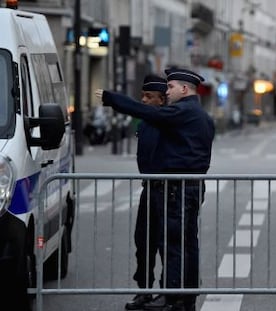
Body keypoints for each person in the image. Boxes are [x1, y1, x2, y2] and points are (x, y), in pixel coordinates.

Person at [95, 67, 215, 311]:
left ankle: (173, 297)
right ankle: (182, 297)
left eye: (170, 87)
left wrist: (112, 98)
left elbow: (144, 112)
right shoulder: (196, 113)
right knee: (183, 244)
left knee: (174, 244)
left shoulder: (185, 111)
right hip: (176, 187)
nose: (166, 90)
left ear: (184, 89)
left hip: (176, 189)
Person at [123, 74, 169, 310]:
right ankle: (144, 290)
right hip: (148, 189)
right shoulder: (145, 123)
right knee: (143, 242)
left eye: (148, 96)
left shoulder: (168, 122)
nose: (142, 100)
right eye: (142, 95)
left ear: (161, 100)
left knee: (166, 244)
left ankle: (167, 293)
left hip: (166, 191)